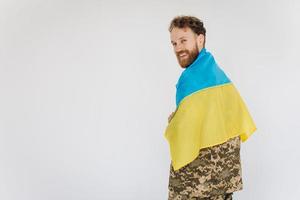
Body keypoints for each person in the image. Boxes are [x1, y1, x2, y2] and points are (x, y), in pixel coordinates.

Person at [165, 15, 257, 200]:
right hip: (224, 175)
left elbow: (183, 130)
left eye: (183, 40)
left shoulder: (190, 79)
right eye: (174, 43)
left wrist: (173, 121)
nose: (178, 48)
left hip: (197, 178)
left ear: (200, 39)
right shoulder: (218, 74)